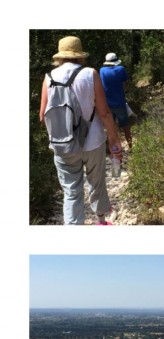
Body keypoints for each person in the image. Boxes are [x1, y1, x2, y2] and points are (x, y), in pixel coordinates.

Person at [39, 36, 122, 225]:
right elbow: (104, 112)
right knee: (96, 181)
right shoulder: (90, 74)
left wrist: (62, 130)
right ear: (80, 55)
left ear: (60, 56)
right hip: (93, 141)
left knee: (71, 190)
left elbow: (42, 116)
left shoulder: (48, 77)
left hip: (63, 144)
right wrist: (113, 138)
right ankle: (101, 220)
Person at [99, 52, 133, 150]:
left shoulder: (102, 70)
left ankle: (114, 150)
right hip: (120, 103)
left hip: (107, 104)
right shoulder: (121, 69)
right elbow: (125, 83)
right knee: (126, 126)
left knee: (111, 129)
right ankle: (130, 147)